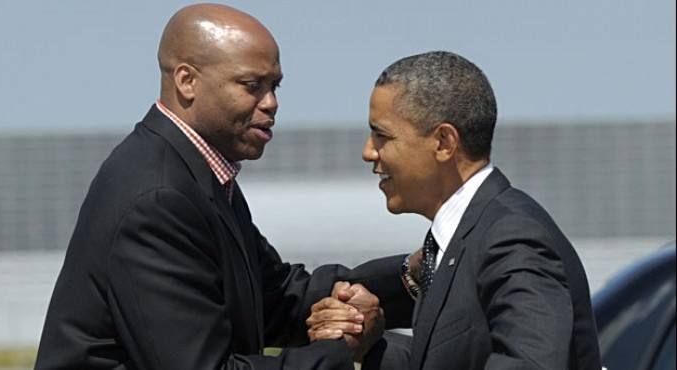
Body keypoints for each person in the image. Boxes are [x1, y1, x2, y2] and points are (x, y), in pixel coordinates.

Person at [34, 3, 414, 369]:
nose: (271, 103)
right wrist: (340, 352)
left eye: (275, 86)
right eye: (252, 85)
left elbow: (275, 298)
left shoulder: (198, 175)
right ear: (187, 81)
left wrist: (411, 278)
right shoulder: (160, 196)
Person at [307, 51, 602, 369]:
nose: (368, 152)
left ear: (444, 142)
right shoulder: (461, 241)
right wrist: (365, 342)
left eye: (382, 135)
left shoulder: (511, 236)